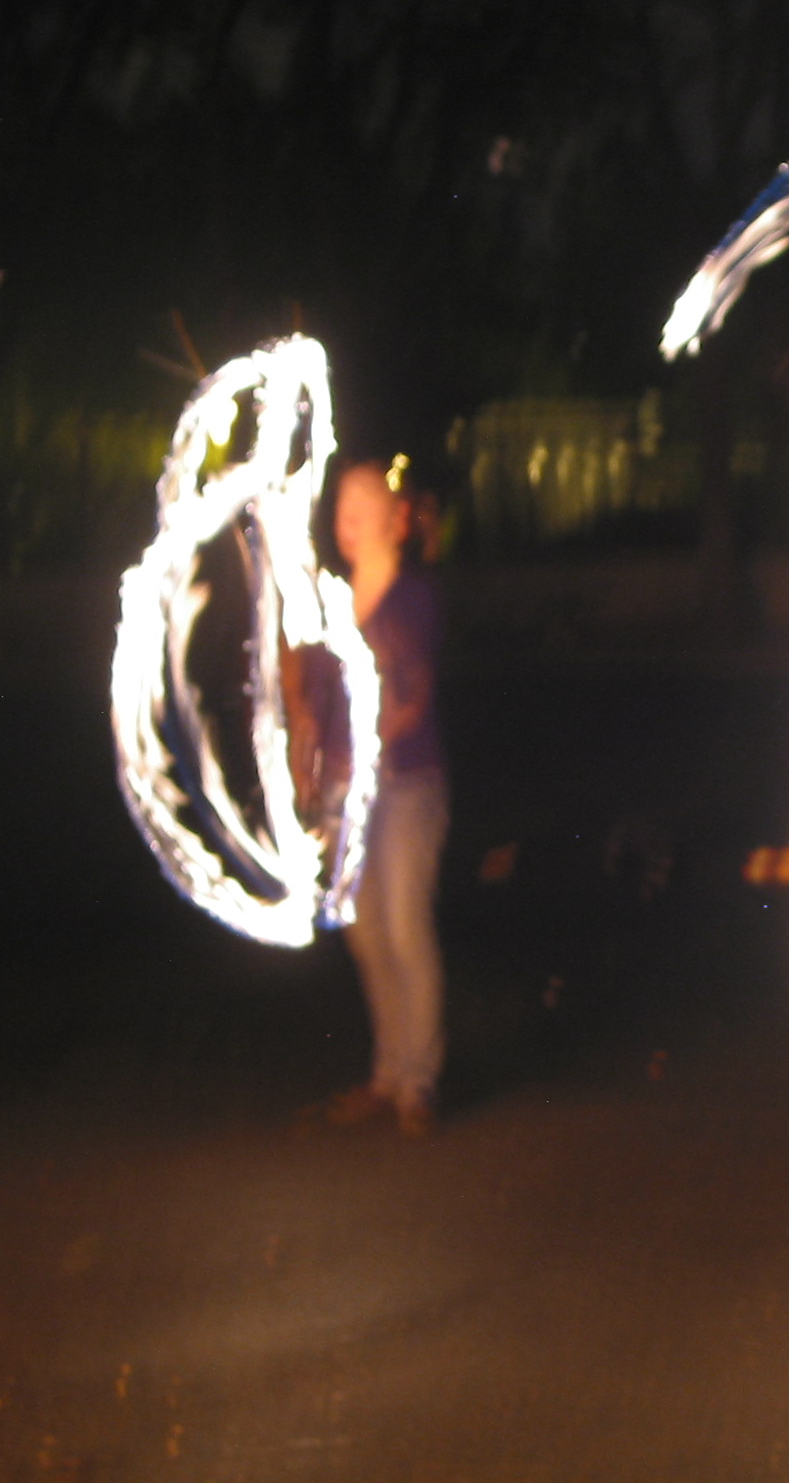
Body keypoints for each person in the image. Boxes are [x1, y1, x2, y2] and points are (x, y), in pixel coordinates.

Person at [307, 459, 450, 1136]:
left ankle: (419, 1081)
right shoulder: (331, 602)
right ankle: (388, 1073)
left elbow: (411, 699)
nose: (349, 516)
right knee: (366, 935)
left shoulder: (412, 598)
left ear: (394, 520)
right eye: (342, 505)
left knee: (403, 926)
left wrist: (368, 743)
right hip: (347, 792)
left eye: (364, 502)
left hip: (407, 784)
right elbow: (314, 695)